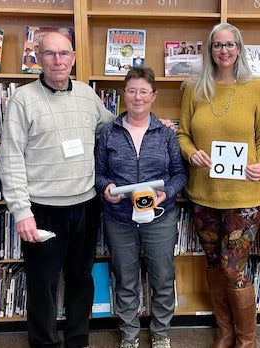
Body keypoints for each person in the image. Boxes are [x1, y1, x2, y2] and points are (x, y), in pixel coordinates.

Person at [0, 32, 115, 348]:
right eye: (50, 54)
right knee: (42, 283)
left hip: (86, 206)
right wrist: (22, 212)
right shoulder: (23, 100)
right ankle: (45, 343)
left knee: (81, 277)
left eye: (64, 54)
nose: (58, 60)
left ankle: (78, 339)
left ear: (74, 57)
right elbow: (10, 158)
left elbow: (113, 129)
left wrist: (151, 125)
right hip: (43, 208)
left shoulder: (87, 96)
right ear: (38, 56)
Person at [177, 22, 260, 348]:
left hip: (244, 194)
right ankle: (225, 331)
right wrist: (192, 154)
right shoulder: (194, 88)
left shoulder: (255, 88)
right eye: (218, 45)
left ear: (239, 48)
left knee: (234, 269)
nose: (224, 50)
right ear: (210, 50)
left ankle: (247, 340)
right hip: (204, 193)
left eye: (230, 44)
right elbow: (183, 134)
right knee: (215, 265)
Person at [95, 67, 187, 348]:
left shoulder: (166, 134)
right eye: (132, 91)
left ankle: (160, 334)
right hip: (119, 218)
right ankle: (129, 335)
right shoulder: (109, 132)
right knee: (125, 279)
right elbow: (98, 173)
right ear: (124, 94)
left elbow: (180, 174)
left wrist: (166, 194)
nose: (137, 97)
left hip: (159, 217)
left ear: (153, 96)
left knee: (162, 277)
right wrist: (106, 188)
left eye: (143, 91)